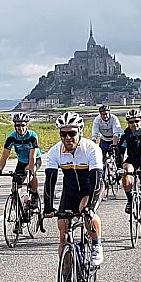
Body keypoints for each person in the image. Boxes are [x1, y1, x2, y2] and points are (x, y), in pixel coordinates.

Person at [43, 112, 104, 268]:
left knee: (85, 211)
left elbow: (96, 180)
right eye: (63, 134)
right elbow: (50, 180)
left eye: (72, 133)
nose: (67, 137)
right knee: (63, 232)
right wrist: (48, 207)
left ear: (80, 132)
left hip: (90, 189)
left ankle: (96, 245)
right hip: (70, 191)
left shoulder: (91, 149)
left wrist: (91, 206)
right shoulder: (55, 152)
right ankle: (67, 279)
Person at [0, 112, 41, 208]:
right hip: (21, 161)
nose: (20, 128)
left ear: (27, 125)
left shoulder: (32, 136)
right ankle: (19, 204)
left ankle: (34, 194)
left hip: (34, 159)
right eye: (17, 125)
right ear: (14, 126)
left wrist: (31, 171)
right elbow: (5, 156)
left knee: (30, 173)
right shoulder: (11, 138)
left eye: (23, 125)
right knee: (16, 182)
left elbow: (32, 156)